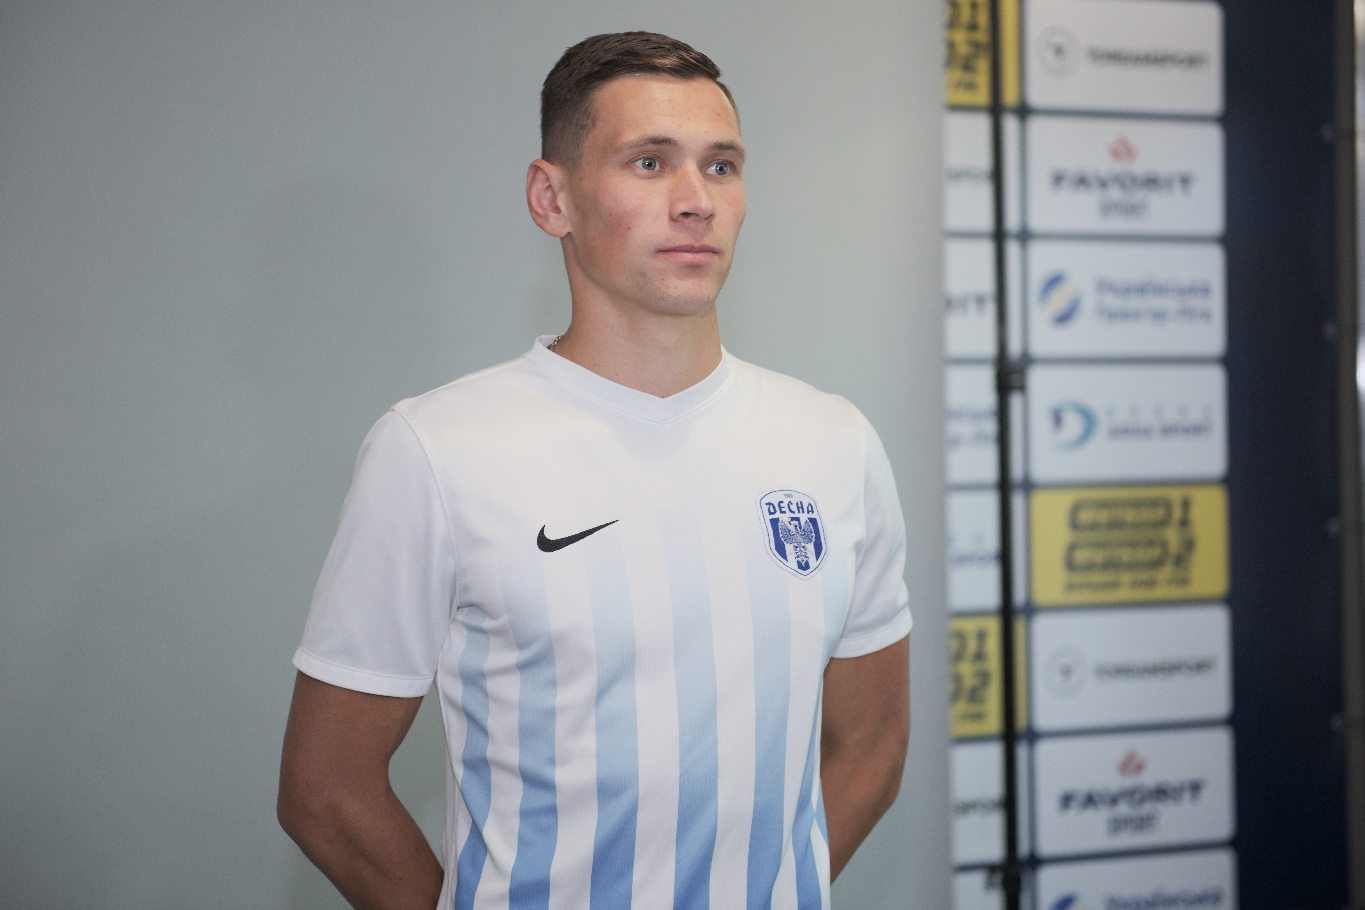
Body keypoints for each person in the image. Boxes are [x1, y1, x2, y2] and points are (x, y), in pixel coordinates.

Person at [278, 31, 911, 910]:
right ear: (552, 198)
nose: (695, 202)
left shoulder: (834, 442)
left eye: (721, 166)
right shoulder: (435, 449)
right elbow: (325, 792)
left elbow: (872, 745)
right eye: (649, 163)